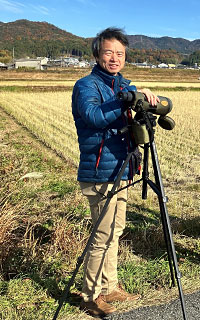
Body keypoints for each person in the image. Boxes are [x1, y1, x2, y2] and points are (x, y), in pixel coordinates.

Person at [72, 27, 159, 317]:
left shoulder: (121, 84)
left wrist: (141, 100)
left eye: (120, 53)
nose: (114, 58)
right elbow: (95, 117)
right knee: (102, 235)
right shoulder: (86, 86)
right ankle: (90, 295)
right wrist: (126, 98)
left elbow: (129, 102)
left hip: (121, 169)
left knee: (115, 231)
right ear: (97, 53)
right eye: (108, 52)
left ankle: (109, 286)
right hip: (99, 171)